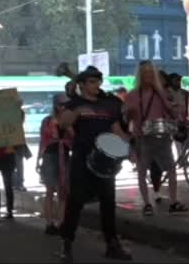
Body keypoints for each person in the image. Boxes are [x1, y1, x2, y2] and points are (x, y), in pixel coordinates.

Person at [58, 68, 132, 261]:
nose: (96, 85)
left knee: (108, 202)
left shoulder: (108, 104)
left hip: (105, 160)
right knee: (75, 202)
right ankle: (66, 244)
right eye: (92, 82)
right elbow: (63, 123)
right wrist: (78, 111)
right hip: (82, 157)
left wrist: (128, 148)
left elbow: (116, 129)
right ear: (82, 84)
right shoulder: (75, 103)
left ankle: (112, 245)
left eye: (98, 81)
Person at [124, 61, 188, 216]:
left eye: (150, 72)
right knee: (141, 171)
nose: (148, 75)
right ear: (140, 75)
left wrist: (175, 110)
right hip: (142, 138)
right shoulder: (132, 95)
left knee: (171, 170)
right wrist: (128, 114)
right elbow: (125, 118)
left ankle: (173, 202)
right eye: (144, 72)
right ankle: (147, 204)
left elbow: (171, 114)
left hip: (162, 137)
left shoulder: (161, 93)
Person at [37, 94, 73, 235]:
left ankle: (61, 222)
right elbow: (43, 140)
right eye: (61, 104)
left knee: (63, 191)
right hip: (50, 156)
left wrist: (69, 128)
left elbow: (75, 138)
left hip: (64, 156)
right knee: (50, 190)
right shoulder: (47, 120)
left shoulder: (71, 120)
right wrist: (38, 160)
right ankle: (49, 223)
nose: (63, 107)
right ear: (55, 105)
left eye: (66, 104)